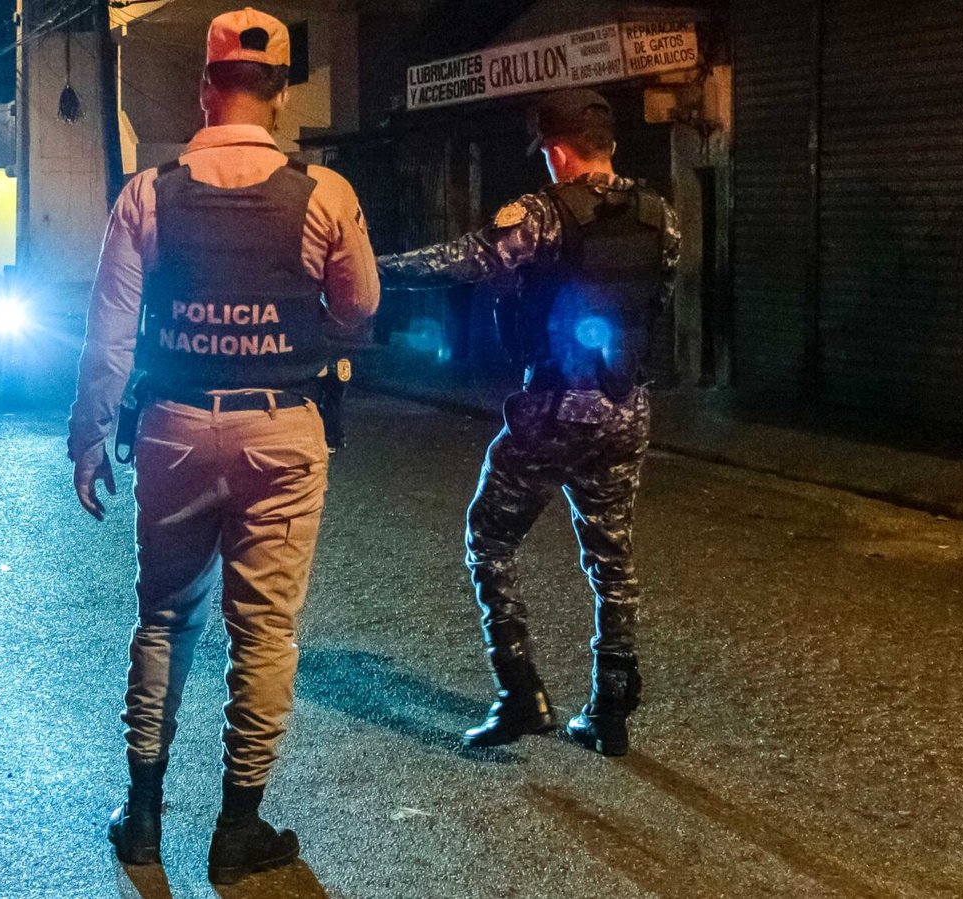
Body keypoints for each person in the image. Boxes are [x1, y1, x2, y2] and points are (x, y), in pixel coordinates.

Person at [67, 7, 379, 884]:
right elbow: (358, 307)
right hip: (283, 427)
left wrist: (89, 435)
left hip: (171, 425)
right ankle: (238, 826)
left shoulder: (147, 193)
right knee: (265, 631)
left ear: (206, 88)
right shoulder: (325, 193)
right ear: (279, 95)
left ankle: (142, 817)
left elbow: (109, 335)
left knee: (165, 619)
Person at [377, 88, 679, 756]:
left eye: (546, 151)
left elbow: (465, 259)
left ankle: (521, 694)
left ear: (559, 152)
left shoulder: (543, 214)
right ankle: (609, 709)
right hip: (626, 406)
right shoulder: (660, 213)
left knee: (489, 537)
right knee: (612, 555)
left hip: (554, 410)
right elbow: (657, 300)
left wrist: (369, 271)